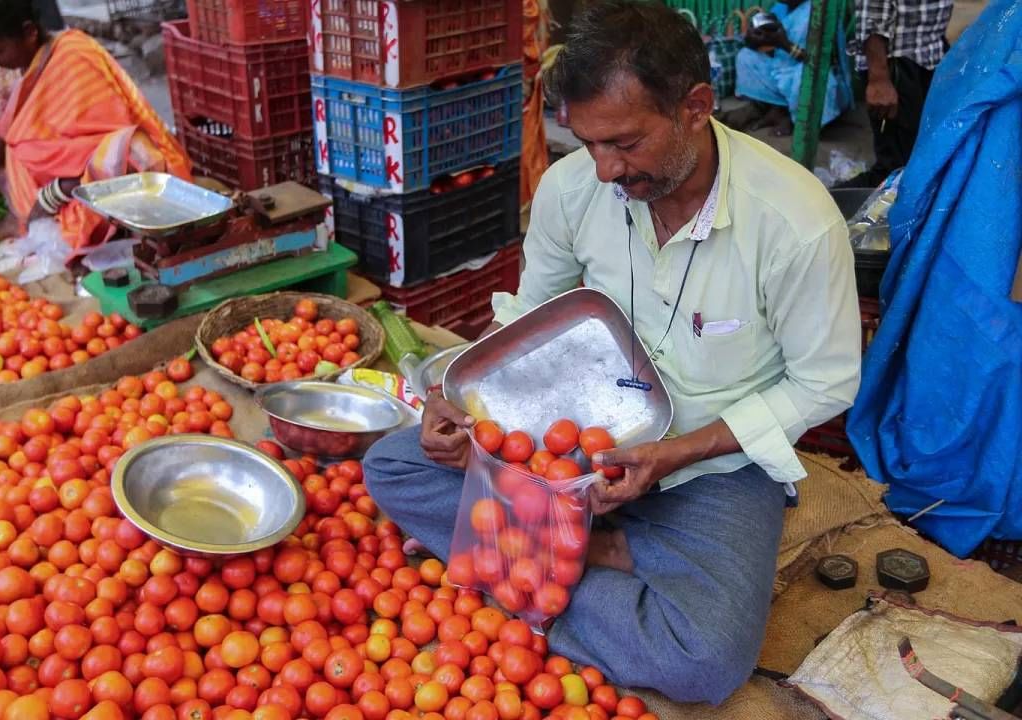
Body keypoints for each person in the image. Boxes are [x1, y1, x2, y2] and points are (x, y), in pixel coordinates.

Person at [363, 0, 862, 705]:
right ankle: (595, 554)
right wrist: (464, 410)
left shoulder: (794, 224)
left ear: (695, 106)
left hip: (711, 463)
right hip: (565, 434)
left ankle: (538, 553)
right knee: (391, 466)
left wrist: (676, 453)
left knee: (706, 661)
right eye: (588, 143)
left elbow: (825, 383)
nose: (602, 169)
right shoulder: (574, 189)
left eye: (624, 143)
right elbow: (530, 319)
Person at [0, 0, 191, 254]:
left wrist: (52, 195)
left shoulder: (75, 57)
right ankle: (23, 215)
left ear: (29, 32)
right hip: (57, 178)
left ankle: (48, 220)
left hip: (106, 179)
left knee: (126, 168)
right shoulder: (6, 72)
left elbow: (118, 153)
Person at [842, 0, 952, 187]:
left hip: (927, 56)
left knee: (917, 158)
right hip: (896, 64)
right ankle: (827, 206)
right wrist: (879, 78)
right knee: (894, 169)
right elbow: (873, 12)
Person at [732, 0, 851, 135]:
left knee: (807, 78)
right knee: (746, 57)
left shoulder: (818, 12)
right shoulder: (780, 8)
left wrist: (785, 44)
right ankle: (777, 109)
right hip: (783, 68)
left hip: (808, 70)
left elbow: (819, 61)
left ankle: (795, 119)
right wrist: (754, 40)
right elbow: (772, 50)